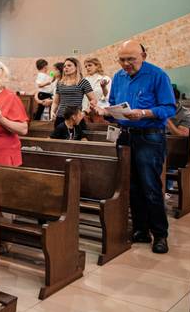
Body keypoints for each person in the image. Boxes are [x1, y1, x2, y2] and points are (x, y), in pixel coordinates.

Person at [94, 40, 176, 254]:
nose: (126, 64)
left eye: (131, 59)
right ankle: (140, 229)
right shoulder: (118, 77)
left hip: (150, 136)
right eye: (122, 60)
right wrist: (106, 112)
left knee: (150, 187)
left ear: (143, 56)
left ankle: (160, 234)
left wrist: (144, 113)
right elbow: (114, 103)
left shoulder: (157, 75)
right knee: (131, 186)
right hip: (125, 136)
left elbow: (169, 108)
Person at [51, 57, 98, 127]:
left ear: (76, 67)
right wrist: (52, 111)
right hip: (60, 117)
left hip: (76, 118)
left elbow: (94, 100)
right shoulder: (60, 83)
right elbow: (55, 102)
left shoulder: (83, 82)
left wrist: (84, 113)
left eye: (69, 65)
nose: (66, 68)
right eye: (64, 66)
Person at [83, 57, 110, 122]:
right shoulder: (84, 80)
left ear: (97, 66)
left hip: (100, 113)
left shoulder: (105, 79)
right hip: (86, 114)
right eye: (86, 66)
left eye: (90, 65)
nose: (87, 68)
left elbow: (107, 97)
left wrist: (99, 108)